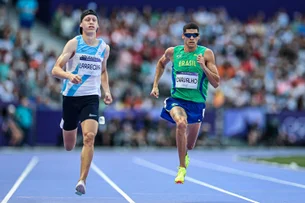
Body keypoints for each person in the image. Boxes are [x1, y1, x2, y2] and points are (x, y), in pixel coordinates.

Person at [51, 9, 113, 195]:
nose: (91, 22)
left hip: (91, 98)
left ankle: (82, 181)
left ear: (98, 25)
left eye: (94, 20)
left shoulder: (104, 48)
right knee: (69, 146)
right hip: (71, 97)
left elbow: (103, 71)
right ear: (81, 25)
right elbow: (55, 69)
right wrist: (69, 75)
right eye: (87, 20)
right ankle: (66, 124)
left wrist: (107, 91)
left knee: (89, 137)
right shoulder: (74, 44)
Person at [150, 22, 220, 184]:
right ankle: (181, 168)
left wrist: (203, 66)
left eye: (194, 35)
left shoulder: (206, 54)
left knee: (190, 145)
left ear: (198, 37)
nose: (191, 38)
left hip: (197, 104)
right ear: (183, 36)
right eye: (188, 35)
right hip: (177, 100)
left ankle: (185, 156)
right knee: (181, 124)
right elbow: (161, 63)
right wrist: (155, 84)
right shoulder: (173, 52)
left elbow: (216, 83)